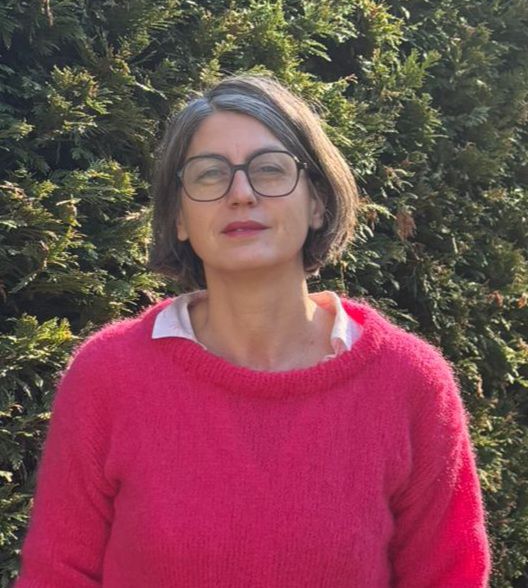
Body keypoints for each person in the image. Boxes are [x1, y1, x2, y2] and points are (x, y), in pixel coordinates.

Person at [16, 74, 491, 587]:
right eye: (209, 174)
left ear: (317, 202)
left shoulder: (410, 383)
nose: (241, 194)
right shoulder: (108, 375)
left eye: (269, 169)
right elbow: (56, 574)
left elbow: (450, 577)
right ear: (179, 217)